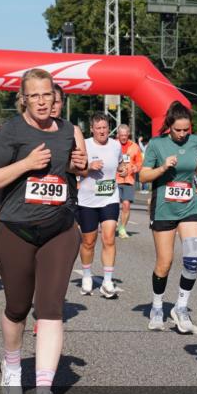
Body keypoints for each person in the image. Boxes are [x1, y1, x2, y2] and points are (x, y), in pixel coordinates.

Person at [0, 69, 85, 394]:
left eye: (47, 95)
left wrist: (80, 167)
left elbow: (75, 172)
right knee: (17, 307)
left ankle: (43, 389)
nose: (42, 102)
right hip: (16, 231)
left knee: (51, 307)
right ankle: (12, 365)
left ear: (55, 96)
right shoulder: (11, 131)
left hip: (59, 228)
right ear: (23, 98)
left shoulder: (69, 130)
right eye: (34, 96)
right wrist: (25, 164)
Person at [138, 102, 197, 334]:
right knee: (164, 263)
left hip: (190, 208)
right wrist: (163, 168)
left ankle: (181, 306)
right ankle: (157, 307)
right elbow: (144, 175)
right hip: (164, 209)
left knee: (194, 260)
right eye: (178, 130)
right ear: (169, 126)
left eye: (186, 130)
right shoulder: (157, 145)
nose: (182, 134)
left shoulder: (196, 142)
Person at [76, 112, 122, 299]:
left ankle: (108, 280)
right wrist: (88, 167)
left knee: (109, 237)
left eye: (105, 128)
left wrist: (123, 169)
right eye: (98, 129)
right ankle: (87, 275)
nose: (102, 132)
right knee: (88, 241)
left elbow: (118, 165)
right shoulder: (84, 144)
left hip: (110, 197)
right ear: (92, 129)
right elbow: (75, 169)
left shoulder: (116, 145)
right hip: (87, 200)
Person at [115, 124, 142, 239]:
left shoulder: (135, 146)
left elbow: (139, 163)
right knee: (114, 205)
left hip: (128, 180)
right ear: (118, 135)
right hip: (114, 180)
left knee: (126, 205)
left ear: (128, 135)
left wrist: (133, 169)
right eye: (121, 135)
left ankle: (122, 228)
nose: (123, 138)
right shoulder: (112, 145)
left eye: (125, 135)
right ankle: (112, 223)